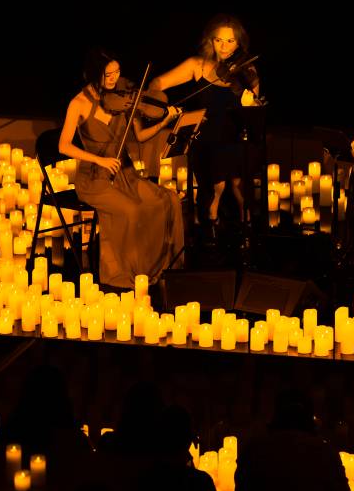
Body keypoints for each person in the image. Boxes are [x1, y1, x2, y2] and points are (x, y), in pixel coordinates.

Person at [58, 49, 185, 289]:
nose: (114, 79)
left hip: (125, 173)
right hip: (95, 178)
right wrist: (100, 160)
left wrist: (164, 121)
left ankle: (165, 267)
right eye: (108, 75)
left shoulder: (123, 100)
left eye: (117, 72)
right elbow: (63, 146)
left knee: (168, 200)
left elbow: (140, 135)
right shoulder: (78, 103)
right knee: (132, 211)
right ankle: (128, 272)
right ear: (93, 75)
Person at [149, 14, 260, 232]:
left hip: (235, 137)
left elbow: (254, 115)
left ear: (239, 43)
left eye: (230, 41)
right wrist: (158, 106)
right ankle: (214, 218)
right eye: (219, 40)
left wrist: (250, 104)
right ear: (211, 40)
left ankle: (239, 222)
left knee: (236, 168)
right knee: (219, 163)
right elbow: (157, 83)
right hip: (204, 138)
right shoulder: (197, 65)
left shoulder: (247, 71)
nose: (224, 47)